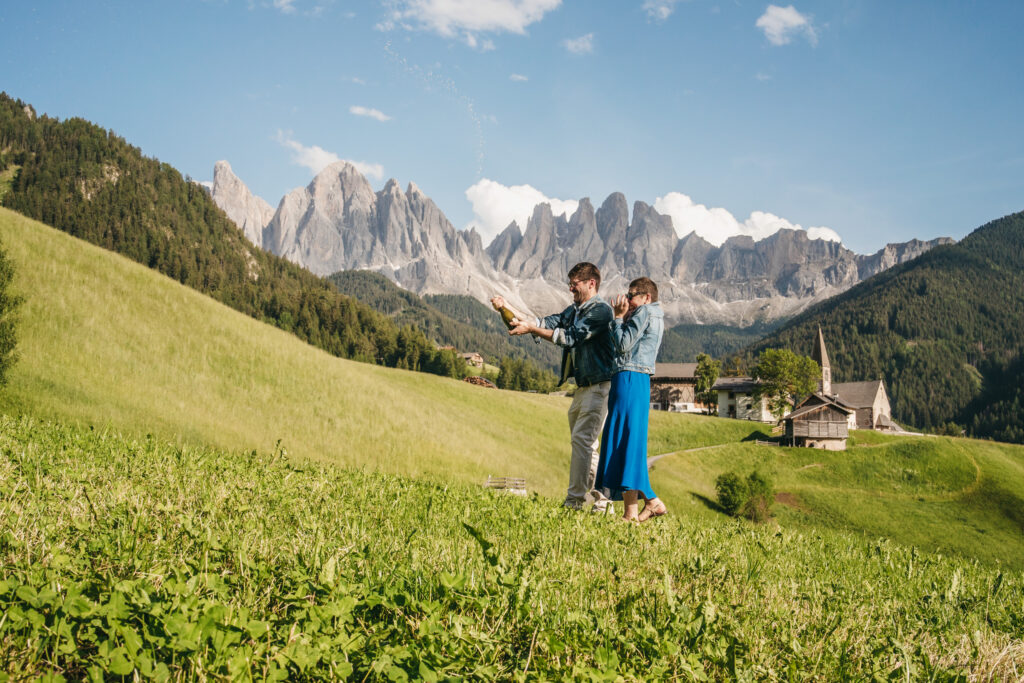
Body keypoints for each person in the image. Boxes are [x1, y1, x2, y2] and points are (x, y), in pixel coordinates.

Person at [490, 262, 616, 512]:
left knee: (583, 441)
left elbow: (570, 337)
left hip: (600, 387)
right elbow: (542, 322)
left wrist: (531, 328)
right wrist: (505, 307)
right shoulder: (575, 310)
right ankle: (603, 501)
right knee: (585, 445)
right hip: (583, 387)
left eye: (575, 283)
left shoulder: (600, 311)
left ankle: (574, 501)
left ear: (591, 283)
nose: (571, 288)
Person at [595, 276, 669, 522]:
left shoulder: (644, 312)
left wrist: (617, 318)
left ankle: (633, 512)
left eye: (631, 295)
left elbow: (624, 345)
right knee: (628, 442)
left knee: (624, 441)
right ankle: (650, 503)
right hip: (637, 379)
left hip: (629, 378)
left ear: (646, 297)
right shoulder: (654, 314)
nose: (627, 299)